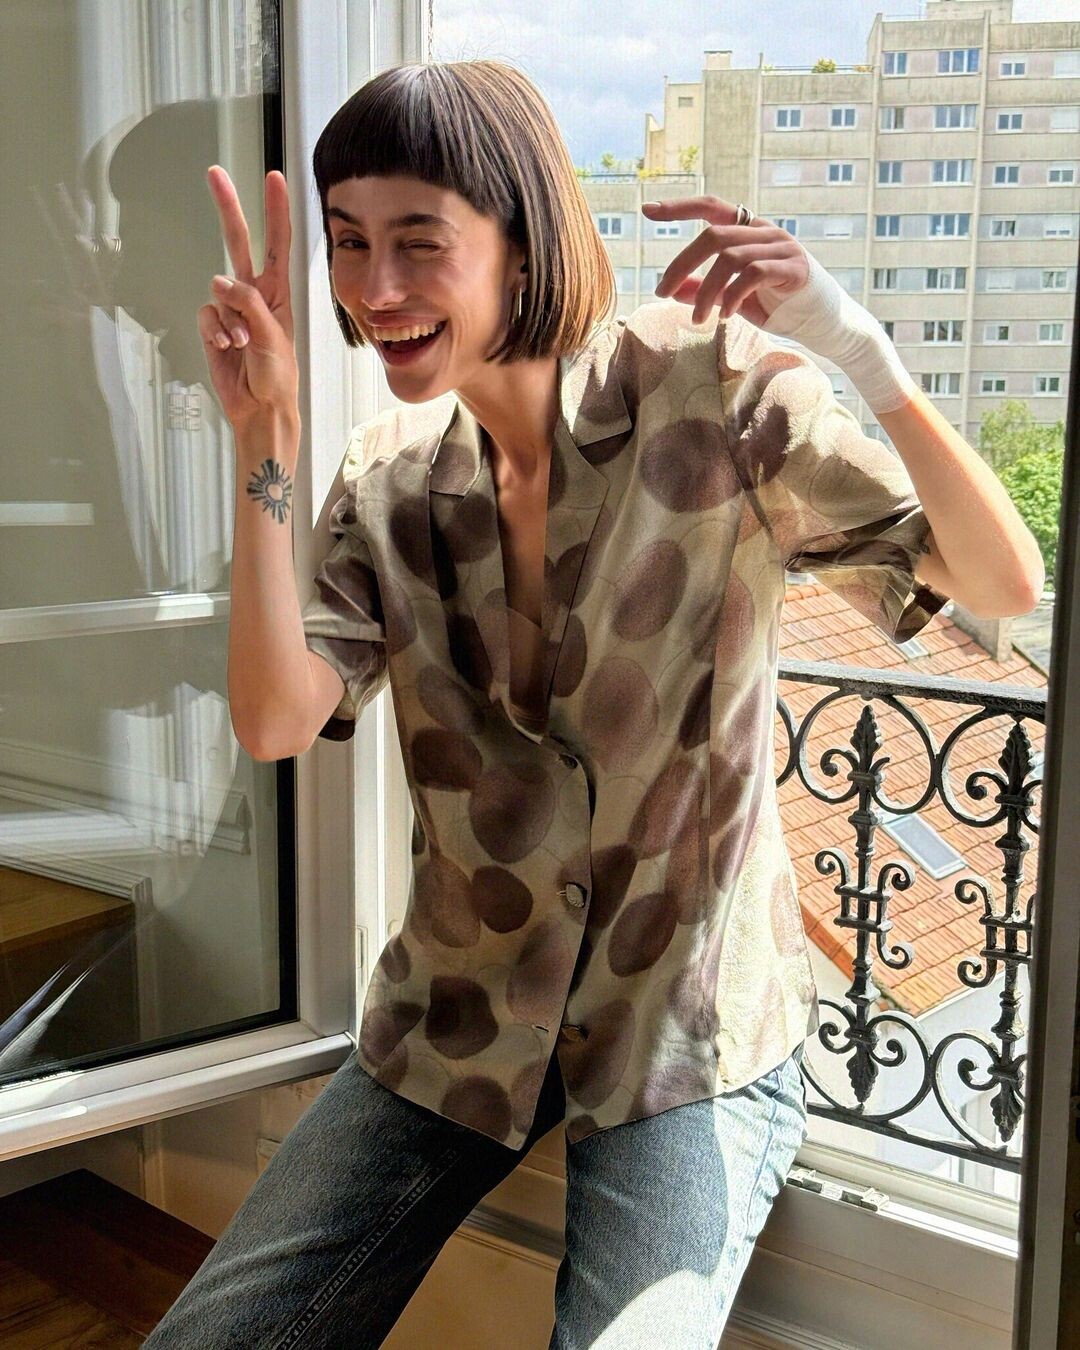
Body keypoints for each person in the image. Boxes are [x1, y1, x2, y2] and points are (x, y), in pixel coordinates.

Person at [148, 57, 954, 1348]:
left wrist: (857, 347)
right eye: (348, 242)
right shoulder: (386, 480)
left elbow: (996, 582)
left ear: (521, 244)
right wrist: (264, 449)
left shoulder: (711, 392)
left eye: (419, 240)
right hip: (455, 1017)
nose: (374, 286)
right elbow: (274, 720)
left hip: (683, 1037)